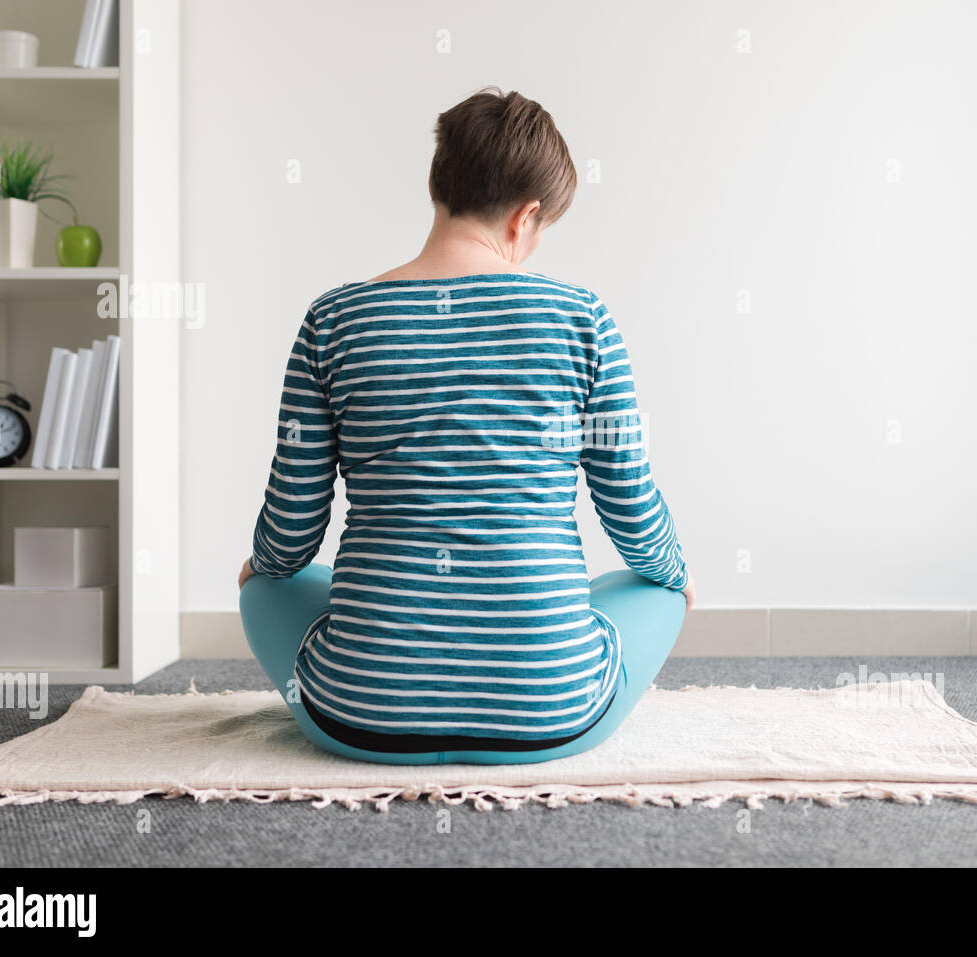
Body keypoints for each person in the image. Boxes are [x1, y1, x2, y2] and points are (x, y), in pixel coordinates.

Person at [237, 87, 694, 765]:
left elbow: (290, 531)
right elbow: (629, 509)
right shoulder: (584, 319)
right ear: (526, 217)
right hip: (550, 709)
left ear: (438, 184)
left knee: (266, 585)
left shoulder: (331, 321)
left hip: (358, 712)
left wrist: (261, 568)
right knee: (652, 587)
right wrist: (677, 573)